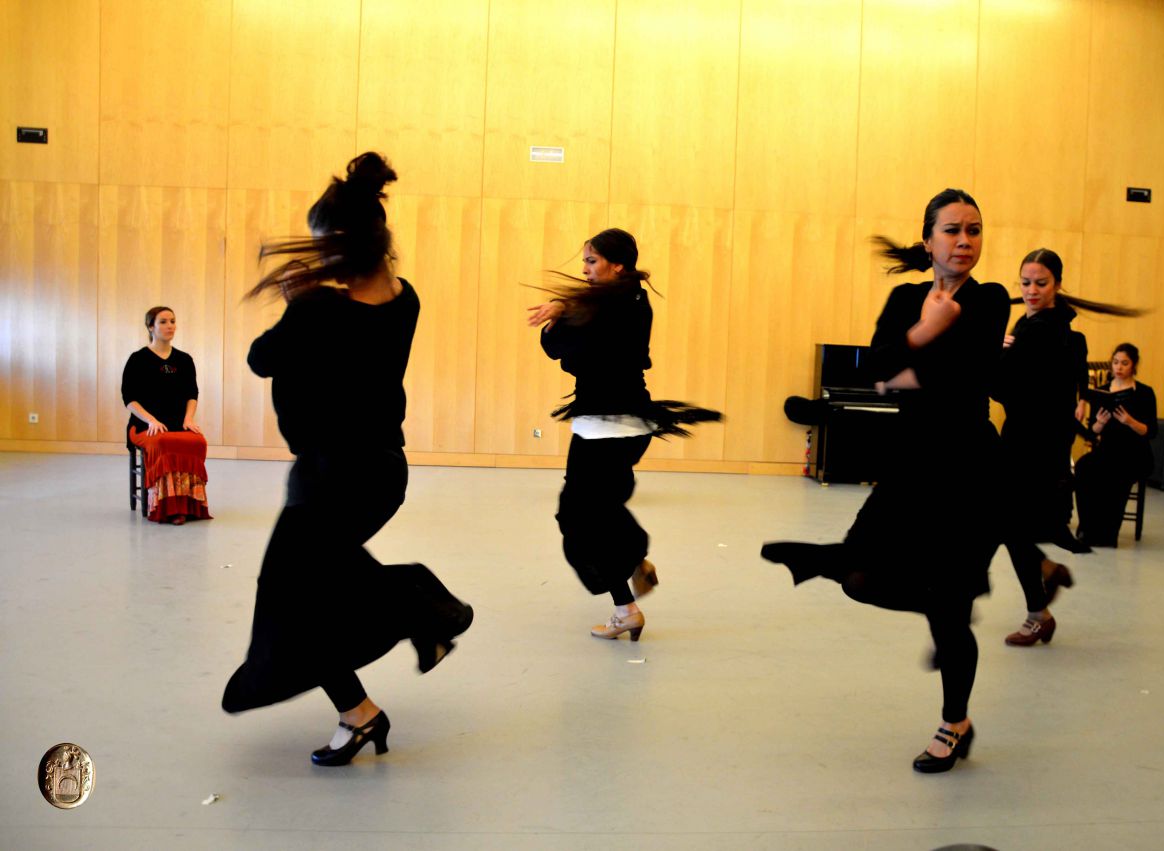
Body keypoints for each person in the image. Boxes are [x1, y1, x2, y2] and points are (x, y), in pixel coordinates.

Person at [222, 153, 473, 767]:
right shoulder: (405, 299)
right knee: (308, 597)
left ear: (337, 246)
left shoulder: (318, 310)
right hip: (381, 470)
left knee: (289, 593)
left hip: (335, 476)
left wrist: (296, 302)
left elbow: (261, 359)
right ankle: (359, 713)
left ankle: (422, 603)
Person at [761, 189, 1009, 773]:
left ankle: (955, 723)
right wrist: (923, 333)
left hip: (969, 468)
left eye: (974, 230)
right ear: (928, 241)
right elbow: (873, 369)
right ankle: (941, 602)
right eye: (952, 231)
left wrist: (912, 363)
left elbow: (964, 376)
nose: (965, 241)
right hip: (911, 466)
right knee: (857, 575)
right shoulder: (905, 300)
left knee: (950, 612)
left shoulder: (993, 299)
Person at [527, 228, 720, 641]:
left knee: (578, 520)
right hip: (633, 424)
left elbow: (560, 350)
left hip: (603, 428)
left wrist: (555, 319)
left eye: (592, 261)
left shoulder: (604, 307)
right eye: (585, 261)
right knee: (603, 507)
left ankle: (626, 604)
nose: (584, 268)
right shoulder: (634, 297)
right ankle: (635, 563)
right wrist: (565, 306)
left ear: (617, 265)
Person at [993, 249, 1142, 646]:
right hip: (1036, 440)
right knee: (1005, 522)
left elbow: (1003, 388)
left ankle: (1038, 602)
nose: (1031, 290)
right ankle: (1041, 592)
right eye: (1025, 282)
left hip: (1030, 444)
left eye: (1040, 283)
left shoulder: (1041, 331)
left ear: (1057, 284)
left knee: (1003, 522)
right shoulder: (1052, 329)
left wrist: (1000, 353)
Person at [121, 306, 212, 524]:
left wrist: (189, 418)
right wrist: (151, 419)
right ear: (151, 326)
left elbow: (192, 393)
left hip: (178, 423)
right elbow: (129, 398)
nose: (170, 326)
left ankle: (190, 503)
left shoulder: (184, 360)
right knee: (163, 442)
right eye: (163, 322)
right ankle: (168, 507)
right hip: (145, 425)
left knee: (198, 441)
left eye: (172, 321)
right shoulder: (137, 359)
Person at [1073, 343, 1157, 548]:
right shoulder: (1102, 392)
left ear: (1134, 365)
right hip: (1107, 450)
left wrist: (1130, 421)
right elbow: (1092, 433)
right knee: (1083, 468)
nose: (1119, 367)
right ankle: (1088, 526)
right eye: (1116, 362)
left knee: (1118, 475)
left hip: (1134, 452)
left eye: (1125, 363)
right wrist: (1099, 424)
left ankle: (1108, 534)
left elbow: (1151, 431)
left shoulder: (1144, 393)